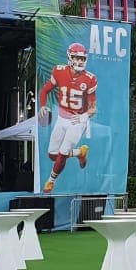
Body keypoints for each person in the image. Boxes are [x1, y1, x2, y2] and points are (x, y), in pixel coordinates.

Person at [38, 42, 97, 193]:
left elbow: (93, 109)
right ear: (70, 57)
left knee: (63, 153)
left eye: (82, 59)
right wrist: (43, 105)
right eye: (77, 58)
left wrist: (84, 116)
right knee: (53, 155)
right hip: (62, 118)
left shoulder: (89, 79)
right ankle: (79, 153)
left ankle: (51, 181)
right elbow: (45, 90)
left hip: (78, 120)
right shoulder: (59, 71)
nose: (80, 61)